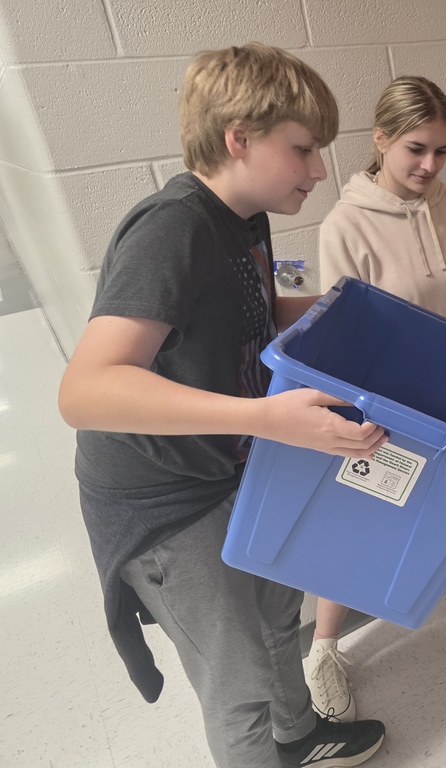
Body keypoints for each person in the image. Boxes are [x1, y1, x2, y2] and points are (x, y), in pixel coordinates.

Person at [58, 43, 390, 768]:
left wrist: (351, 311)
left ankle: (301, 739)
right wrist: (265, 418)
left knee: (277, 613)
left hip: (227, 465)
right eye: (303, 149)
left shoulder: (249, 216)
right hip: (163, 499)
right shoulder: (172, 228)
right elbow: (84, 391)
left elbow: (257, 310)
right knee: (236, 681)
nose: (318, 170)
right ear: (238, 139)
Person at [307, 74, 446, 721]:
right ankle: (324, 651)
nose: (430, 164)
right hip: (383, 413)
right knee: (354, 523)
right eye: (416, 148)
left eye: (442, 150)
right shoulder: (346, 225)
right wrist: (369, 415)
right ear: (380, 138)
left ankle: (411, 600)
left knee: (431, 516)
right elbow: (342, 339)